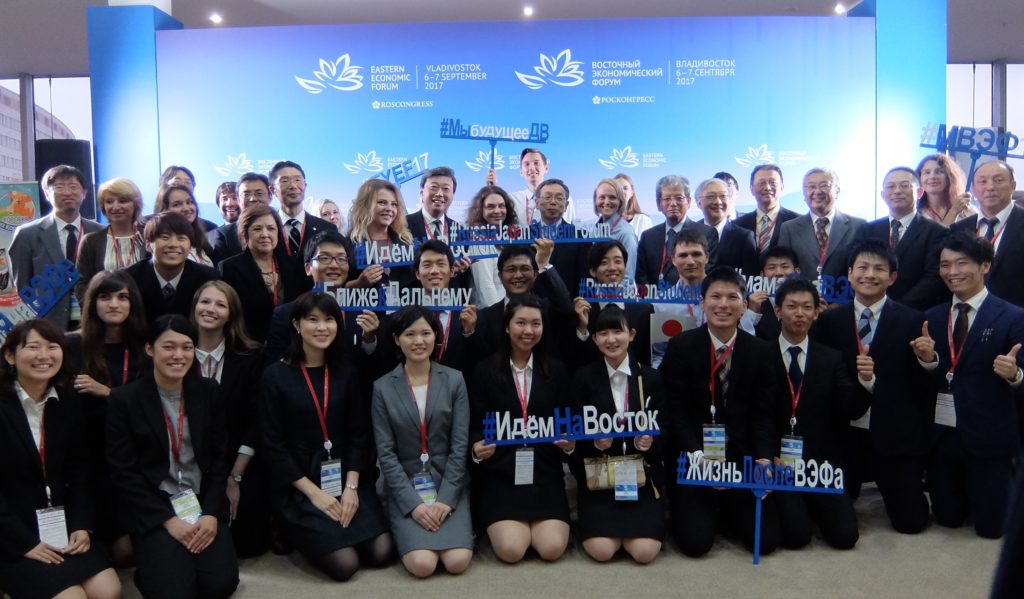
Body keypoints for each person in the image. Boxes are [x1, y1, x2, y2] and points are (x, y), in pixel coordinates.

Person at [261, 292, 393, 580]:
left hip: (346, 474)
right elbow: (273, 445)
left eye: (329, 320)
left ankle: (338, 527)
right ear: (296, 325)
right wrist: (316, 495)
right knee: (346, 565)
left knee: (382, 552)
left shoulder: (346, 371)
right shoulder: (275, 375)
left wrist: (352, 488)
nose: (322, 328)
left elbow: (359, 433)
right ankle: (288, 528)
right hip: (301, 483)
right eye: (313, 320)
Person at [106, 315, 239, 599]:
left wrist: (212, 514)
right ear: (150, 349)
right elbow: (123, 472)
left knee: (219, 585)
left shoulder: (208, 391)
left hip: (201, 502)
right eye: (169, 347)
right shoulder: (124, 400)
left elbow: (218, 459)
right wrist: (167, 520)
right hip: (156, 506)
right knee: (173, 591)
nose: (179, 355)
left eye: (187, 347)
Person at [812, 240, 933, 533]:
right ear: (850, 274)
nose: (870, 274)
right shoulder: (828, 321)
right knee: (830, 518)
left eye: (879, 269)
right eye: (862, 267)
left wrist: (928, 360)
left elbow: (921, 387)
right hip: (843, 432)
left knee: (912, 522)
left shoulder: (912, 320)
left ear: (892, 277)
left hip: (892, 431)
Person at [658, 267, 779, 557]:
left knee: (767, 541)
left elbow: (764, 414)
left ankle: (727, 508)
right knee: (695, 544)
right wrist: (697, 456)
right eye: (715, 297)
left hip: (740, 457)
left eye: (732, 297)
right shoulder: (681, 346)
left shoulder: (761, 351)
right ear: (702, 303)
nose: (723, 304)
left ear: (744, 305)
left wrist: (763, 458)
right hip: (695, 457)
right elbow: (676, 412)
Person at [911, 233, 1024, 539]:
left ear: (984, 265)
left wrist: (1015, 374)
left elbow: (1022, 378)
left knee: (993, 529)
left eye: (962, 263)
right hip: (943, 435)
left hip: (989, 437)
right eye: (945, 264)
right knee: (948, 518)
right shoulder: (931, 317)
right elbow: (926, 380)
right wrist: (929, 360)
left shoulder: (1012, 316)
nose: (952, 271)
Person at [0, 320, 122, 599]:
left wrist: (81, 524)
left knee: (109, 591)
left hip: (60, 527)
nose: (44, 356)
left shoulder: (66, 401)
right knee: (72, 597)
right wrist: (23, 543)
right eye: (33, 347)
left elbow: (80, 471)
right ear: (10, 355)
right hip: (11, 534)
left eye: (52, 347)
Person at [469, 294, 575, 563]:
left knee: (551, 549)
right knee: (512, 550)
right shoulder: (484, 370)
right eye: (521, 323)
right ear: (507, 326)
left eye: (536, 324)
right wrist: (476, 447)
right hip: (501, 476)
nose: (528, 331)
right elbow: (473, 424)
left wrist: (570, 444)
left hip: (544, 475)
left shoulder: (558, 371)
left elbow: (569, 421)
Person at [371, 305, 472, 578]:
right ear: (396, 339)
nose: (418, 341)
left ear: (435, 337)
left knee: (458, 561)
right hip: (407, 485)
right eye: (409, 334)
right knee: (422, 565)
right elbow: (386, 455)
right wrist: (414, 505)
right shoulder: (381, 387)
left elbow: (460, 445)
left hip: (449, 483)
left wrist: (446, 500)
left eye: (426, 333)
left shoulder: (454, 380)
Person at [770, 278, 863, 550]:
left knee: (846, 537)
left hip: (819, 461)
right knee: (796, 538)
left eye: (806, 307)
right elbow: (756, 415)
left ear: (816, 312)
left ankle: (809, 503)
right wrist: (766, 455)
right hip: (779, 461)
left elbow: (850, 408)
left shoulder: (831, 358)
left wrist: (867, 381)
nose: (799, 313)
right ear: (777, 311)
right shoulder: (762, 353)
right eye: (792, 306)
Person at [64, 271, 148, 565]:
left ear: (132, 303)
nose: (114, 304)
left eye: (122, 297)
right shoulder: (70, 345)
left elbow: (149, 406)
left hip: (130, 453)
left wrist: (108, 393)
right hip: (85, 454)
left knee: (126, 553)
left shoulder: (144, 348)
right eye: (105, 296)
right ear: (92, 303)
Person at [571, 305, 666, 564]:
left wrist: (649, 443)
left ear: (632, 334)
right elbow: (574, 438)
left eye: (617, 331)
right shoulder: (582, 379)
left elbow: (666, 430)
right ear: (594, 339)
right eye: (603, 333)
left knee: (645, 553)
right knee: (602, 551)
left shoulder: (651, 377)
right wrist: (595, 444)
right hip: (599, 478)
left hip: (642, 479)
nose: (611, 339)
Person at [190, 281, 270, 557]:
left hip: (238, 459)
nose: (211, 309)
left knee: (248, 545)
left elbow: (256, 420)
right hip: (189, 464)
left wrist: (234, 477)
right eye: (205, 302)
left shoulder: (252, 357)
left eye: (220, 304)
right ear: (194, 307)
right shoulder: (177, 356)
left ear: (231, 314)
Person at [266, 230, 381, 365]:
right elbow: (275, 367)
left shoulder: (362, 310)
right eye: (324, 258)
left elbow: (367, 361)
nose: (334, 265)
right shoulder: (285, 314)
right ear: (308, 268)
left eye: (341, 259)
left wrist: (369, 339)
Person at [10, 165, 102, 329]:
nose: (67, 192)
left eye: (73, 187)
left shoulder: (98, 232)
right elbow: (22, 286)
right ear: (46, 194)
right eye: (59, 187)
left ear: (85, 193)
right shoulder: (27, 234)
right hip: (47, 323)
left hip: (92, 321)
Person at [374, 240, 479, 377]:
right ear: (418, 273)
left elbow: (476, 360)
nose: (434, 271)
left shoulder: (468, 315)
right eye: (427, 265)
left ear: (452, 271)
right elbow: (387, 360)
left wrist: (469, 333)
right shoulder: (399, 316)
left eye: (441, 264)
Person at [855, 167, 950, 310]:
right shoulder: (867, 230)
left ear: (919, 192)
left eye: (905, 185)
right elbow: (856, 269)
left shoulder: (937, 232)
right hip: (869, 310)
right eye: (891, 186)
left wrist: (895, 308)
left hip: (915, 313)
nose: (897, 191)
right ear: (883, 194)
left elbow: (933, 279)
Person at [218, 204, 308, 342]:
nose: (265, 234)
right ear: (245, 233)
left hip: (290, 346)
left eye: (271, 228)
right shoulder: (229, 268)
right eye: (257, 229)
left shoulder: (293, 265)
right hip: (248, 348)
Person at [474, 241, 571, 358]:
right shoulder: (484, 316)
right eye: (511, 270)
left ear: (535, 274)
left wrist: (544, 264)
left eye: (525, 269)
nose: (518, 275)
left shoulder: (547, 308)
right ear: (500, 276)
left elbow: (565, 306)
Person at [123, 211, 220, 327]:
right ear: (148, 245)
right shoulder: (129, 278)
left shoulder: (208, 278)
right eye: (165, 237)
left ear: (190, 246)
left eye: (181, 238)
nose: (173, 244)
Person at [950, 160, 1024, 308]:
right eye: (982, 181)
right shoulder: (959, 229)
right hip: (970, 316)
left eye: (998, 180)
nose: (990, 187)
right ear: (973, 188)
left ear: (1013, 186)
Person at [777, 167, 866, 283]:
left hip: (843, 299)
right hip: (802, 298)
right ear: (804, 193)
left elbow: (863, 269)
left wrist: (844, 301)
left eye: (824, 185)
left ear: (837, 191)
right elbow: (784, 270)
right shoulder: (789, 228)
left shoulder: (858, 226)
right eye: (811, 186)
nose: (817, 191)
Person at [573, 240, 653, 367]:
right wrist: (582, 328)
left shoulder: (644, 310)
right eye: (604, 262)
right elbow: (577, 358)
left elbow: (645, 359)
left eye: (618, 261)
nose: (612, 268)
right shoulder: (581, 309)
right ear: (593, 271)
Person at [635, 175, 718, 285]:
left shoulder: (707, 233)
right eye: (667, 199)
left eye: (679, 198)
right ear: (658, 204)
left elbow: (708, 271)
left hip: (691, 297)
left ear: (688, 201)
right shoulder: (648, 236)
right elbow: (641, 274)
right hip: (653, 299)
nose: (673, 204)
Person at [76, 177, 148, 303]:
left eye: (123, 201)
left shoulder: (149, 237)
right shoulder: (91, 241)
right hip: (105, 313)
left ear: (136, 204)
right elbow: (81, 285)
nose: (115, 206)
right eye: (109, 202)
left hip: (144, 312)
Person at [269, 161, 340, 273]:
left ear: (305, 185)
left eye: (298, 180)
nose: (293, 186)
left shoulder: (327, 228)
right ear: (272, 190)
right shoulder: (267, 228)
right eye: (285, 181)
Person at [345, 178, 415, 289]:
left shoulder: (407, 242)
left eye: (394, 204)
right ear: (366, 205)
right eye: (382, 202)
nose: (389, 209)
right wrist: (358, 284)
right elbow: (335, 288)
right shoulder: (347, 245)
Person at [487, 148, 577, 226]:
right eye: (527, 164)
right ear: (521, 171)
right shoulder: (511, 200)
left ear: (546, 168)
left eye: (536, 163)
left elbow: (572, 228)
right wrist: (491, 189)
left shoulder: (564, 198)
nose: (532, 168)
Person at [533, 178, 589, 297]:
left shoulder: (579, 236)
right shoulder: (525, 235)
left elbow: (584, 278)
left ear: (566, 205)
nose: (553, 202)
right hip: (532, 308)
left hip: (568, 308)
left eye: (559, 198)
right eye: (547, 197)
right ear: (537, 203)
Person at [464, 185, 519, 307]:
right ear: (480, 211)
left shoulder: (507, 238)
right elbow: (485, 288)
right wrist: (500, 318)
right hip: (491, 315)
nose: (497, 211)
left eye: (501, 206)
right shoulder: (479, 239)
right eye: (490, 206)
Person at [695, 178, 758, 275]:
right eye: (711, 196)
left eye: (723, 196)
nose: (718, 202)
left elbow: (751, 278)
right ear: (699, 203)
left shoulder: (743, 237)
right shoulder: (688, 233)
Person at [209, 173, 271, 265]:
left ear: (270, 196)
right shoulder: (224, 235)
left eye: (259, 193)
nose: (252, 199)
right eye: (246, 194)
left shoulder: (280, 227)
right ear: (239, 199)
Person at [734, 164, 799, 253]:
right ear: (751, 189)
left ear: (782, 187)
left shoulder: (797, 222)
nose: (767, 188)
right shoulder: (738, 225)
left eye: (773, 183)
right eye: (762, 183)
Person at [744, 245, 802, 341]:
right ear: (762, 275)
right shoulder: (751, 301)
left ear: (797, 271)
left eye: (785, 267)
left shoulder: (808, 302)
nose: (778, 273)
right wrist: (752, 312)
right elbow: (743, 341)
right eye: (771, 267)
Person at [154, 184, 215, 266]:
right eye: (177, 204)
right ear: (163, 210)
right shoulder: (158, 244)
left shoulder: (201, 239)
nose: (186, 208)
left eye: (190, 202)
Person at [592, 178, 639, 281]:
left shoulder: (626, 233)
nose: (607, 202)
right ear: (595, 200)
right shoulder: (592, 230)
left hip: (616, 295)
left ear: (620, 201)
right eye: (602, 197)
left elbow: (628, 277)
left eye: (612, 197)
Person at [916, 154, 975, 226]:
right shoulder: (914, 214)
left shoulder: (967, 211)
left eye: (939, 172)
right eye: (927, 172)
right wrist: (954, 211)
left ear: (949, 177)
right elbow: (939, 237)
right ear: (919, 178)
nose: (932, 176)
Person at [158, 166, 217, 233]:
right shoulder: (151, 225)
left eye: (187, 182)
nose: (183, 185)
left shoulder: (210, 228)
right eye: (177, 181)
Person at [615, 172, 652, 238]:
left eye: (625, 188)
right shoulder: (604, 221)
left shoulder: (643, 220)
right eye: (618, 188)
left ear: (631, 193)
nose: (621, 191)